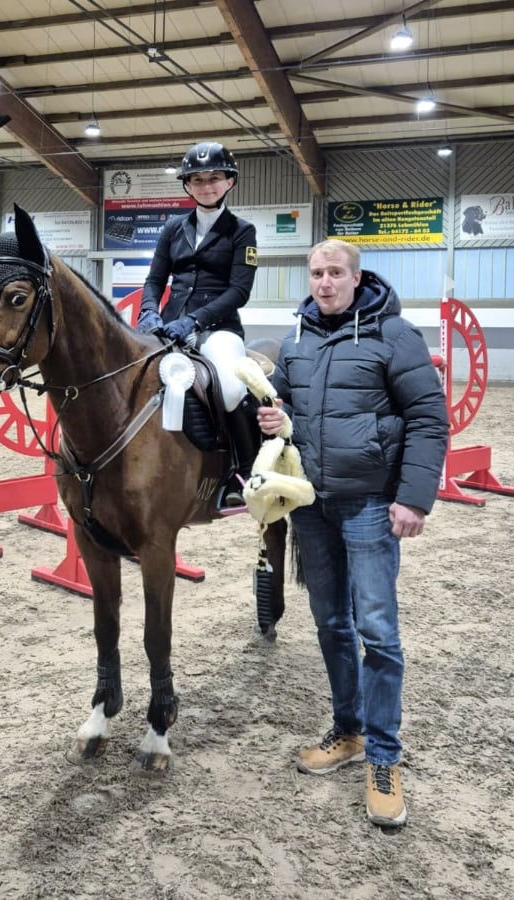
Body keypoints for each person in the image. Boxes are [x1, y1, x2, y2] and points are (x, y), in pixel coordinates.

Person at [256, 239, 449, 828]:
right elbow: (288, 405)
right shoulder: (296, 339)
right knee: (331, 624)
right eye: (315, 273)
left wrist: (412, 498)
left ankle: (384, 756)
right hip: (311, 504)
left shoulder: (395, 335)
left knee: (378, 631)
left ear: (356, 276)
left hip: (369, 504)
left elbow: (428, 418)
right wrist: (276, 414)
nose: (324, 282)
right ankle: (349, 731)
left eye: (334, 272)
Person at [136, 141, 259, 507]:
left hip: (217, 328)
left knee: (233, 389)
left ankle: (244, 472)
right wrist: (148, 312)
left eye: (215, 178)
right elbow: (155, 279)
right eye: (198, 179)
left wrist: (194, 321)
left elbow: (239, 291)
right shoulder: (173, 228)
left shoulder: (242, 231)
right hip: (169, 326)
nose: (207, 185)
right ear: (187, 185)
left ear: (229, 182)